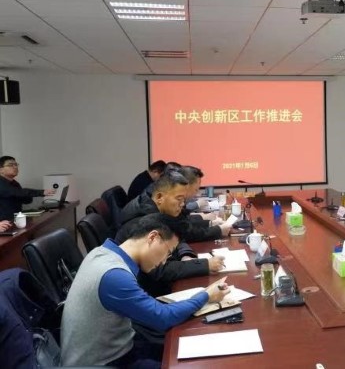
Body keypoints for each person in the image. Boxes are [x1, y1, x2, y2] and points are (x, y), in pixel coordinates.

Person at [61, 214, 230, 367]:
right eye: (168, 252)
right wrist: (206, 296)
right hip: (105, 362)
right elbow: (163, 318)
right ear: (153, 237)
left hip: (119, 346)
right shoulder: (114, 276)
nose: (164, 261)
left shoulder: (102, 252)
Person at [116, 170, 226, 297]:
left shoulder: (156, 208)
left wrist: (185, 253)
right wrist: (205, 265)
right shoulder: (146, 221)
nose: (182, 204)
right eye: (179, 199)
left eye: (184, 199)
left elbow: (178, 232)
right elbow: (159, 270)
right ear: (159, 197)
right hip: (146, 291)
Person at [0, 156, 55, 221]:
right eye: (10, 165)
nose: (15, 167)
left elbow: (27, 200)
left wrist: (25, 194)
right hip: (3, 222)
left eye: (16, 164)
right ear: (1, 169)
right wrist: (41, 192)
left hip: (16, 218)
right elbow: (16, 192)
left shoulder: (14, 183)